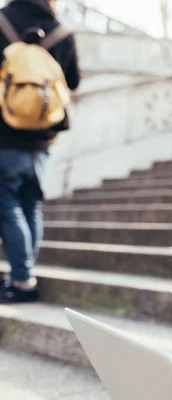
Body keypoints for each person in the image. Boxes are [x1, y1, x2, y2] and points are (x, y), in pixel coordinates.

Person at [0, 0, 80, 303]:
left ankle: (21, 279)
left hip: (6, 132)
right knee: (31, 204)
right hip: (43, 135)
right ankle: (23, 273)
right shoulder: (62, 32)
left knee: (7, 204)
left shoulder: (2, 21)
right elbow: (72, 81)